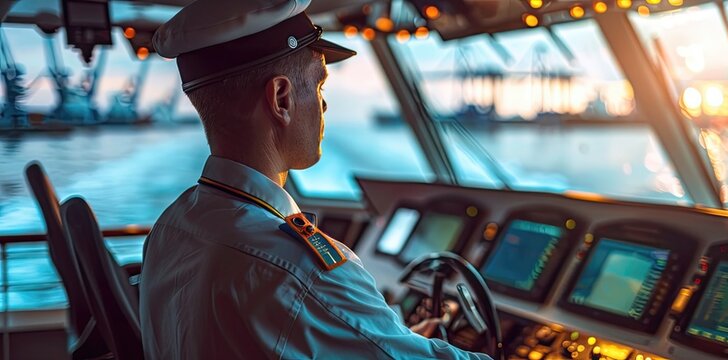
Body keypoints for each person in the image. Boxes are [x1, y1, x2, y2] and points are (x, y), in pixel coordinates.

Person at [139, 1, 491, 359]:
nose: (324, 106)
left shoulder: (171, 227)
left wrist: (388, 338)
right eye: (319, 86)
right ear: (281, 98)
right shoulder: (299, 271)